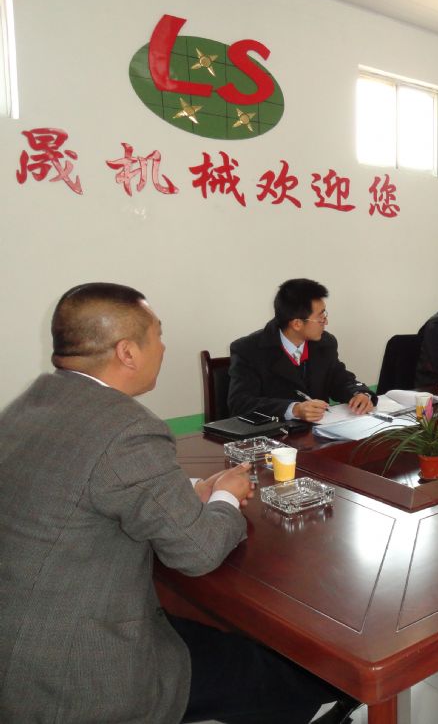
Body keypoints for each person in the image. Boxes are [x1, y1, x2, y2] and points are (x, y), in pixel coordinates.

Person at [0, 283, 356, 724]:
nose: (164, 348)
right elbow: (198, 551)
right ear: (128, 352)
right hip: (83, 672)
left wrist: (188, 491)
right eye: (158, 335)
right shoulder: (127, 428)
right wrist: (226, 494)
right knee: (292, 676)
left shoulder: (28, 405)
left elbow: (93, 486)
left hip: (23, 641)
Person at [228, 278, 375, 423]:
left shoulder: (325, 343)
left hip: (320, 430)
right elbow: (240, 402)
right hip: (275, 434)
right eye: (320, 318)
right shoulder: (248, 350)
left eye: (325, 314)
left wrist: (359, 394)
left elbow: (339, 379)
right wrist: (294, 409)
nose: (326, 322)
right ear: (297, 324)